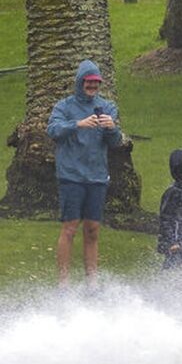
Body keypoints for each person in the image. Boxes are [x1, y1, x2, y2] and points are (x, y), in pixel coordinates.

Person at [46, 59, 123, 286]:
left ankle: (92, 283)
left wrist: (112, 128)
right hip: (71, 175)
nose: (92, 87)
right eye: (88, 82)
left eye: (96, 83)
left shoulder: (107, 107)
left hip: (97, 176)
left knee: (93, 229)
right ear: (80, 82)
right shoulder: (64, 106)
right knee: (70, 227)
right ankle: (64, 283)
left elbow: (116, 141)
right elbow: (53, 130)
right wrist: (77, 124)